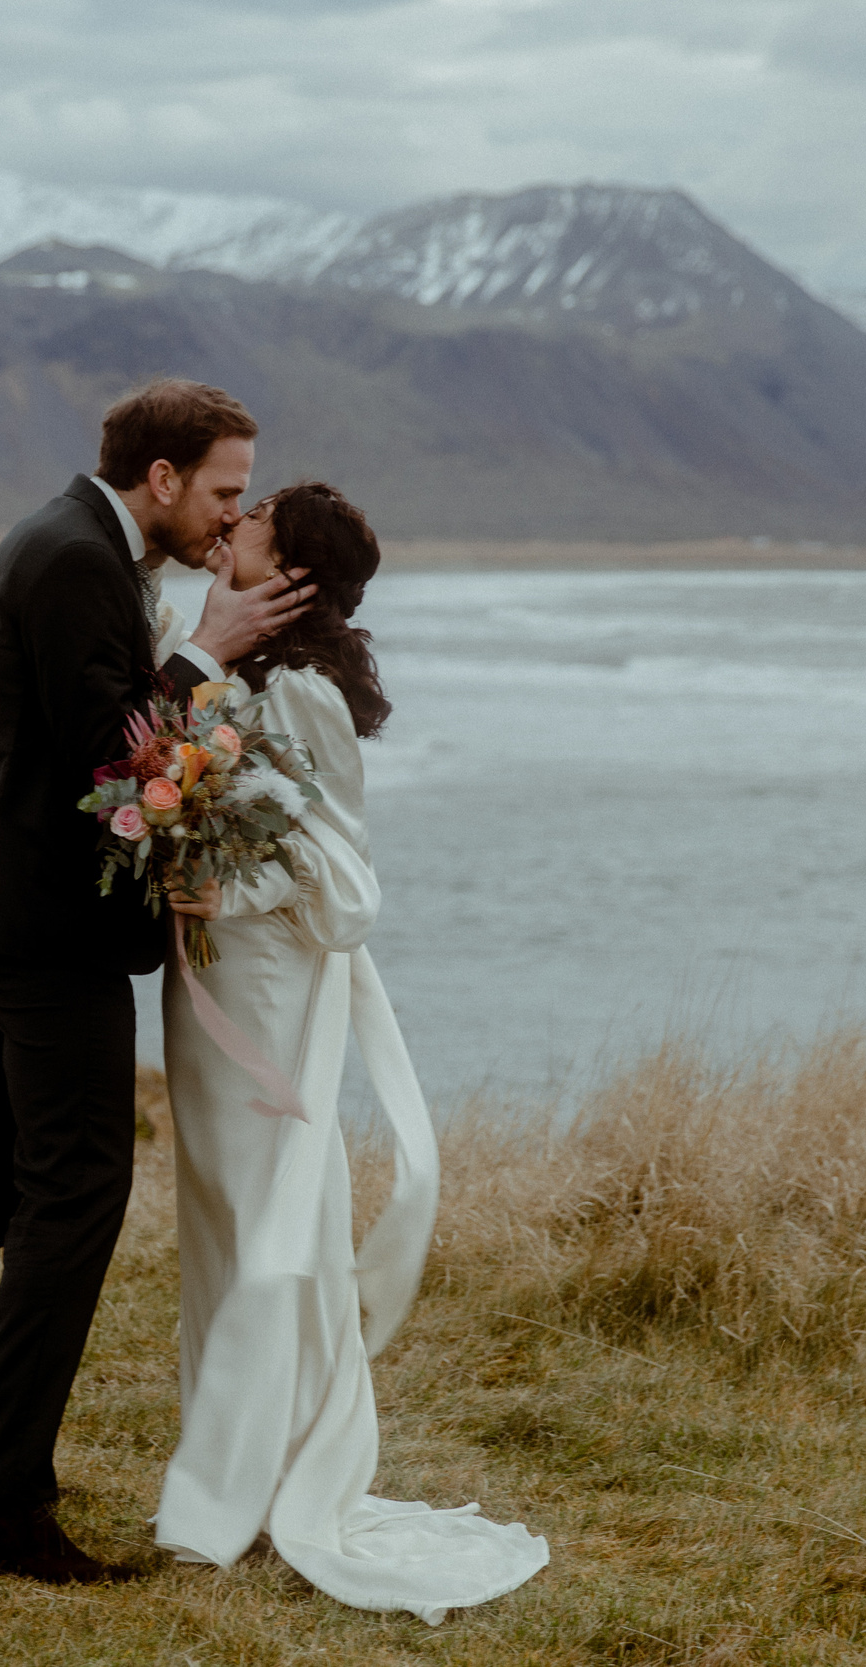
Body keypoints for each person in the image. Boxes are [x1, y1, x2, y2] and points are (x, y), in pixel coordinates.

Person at [0, 380, 315, 1585]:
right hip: (41, 924)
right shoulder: (71, 558)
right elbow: (104, 762)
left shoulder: (70, 541)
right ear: (160, 478)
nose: (230, 518)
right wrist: (204, 654)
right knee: (74, 1198)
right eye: (223, 490)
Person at [154, 482, 549, 1623]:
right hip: (206, 974)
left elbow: (344, 872)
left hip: (267, 983)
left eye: (254, 524)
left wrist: (227, 880)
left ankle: (239, 1493)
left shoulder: (306, 693)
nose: (230, 528)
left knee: (279, 1217)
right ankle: (237, 1457)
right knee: (222, 1215)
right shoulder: (227, 671)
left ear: (291, 577)